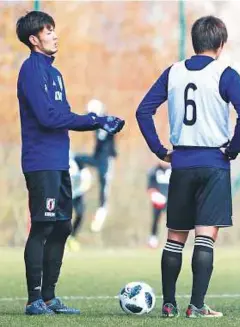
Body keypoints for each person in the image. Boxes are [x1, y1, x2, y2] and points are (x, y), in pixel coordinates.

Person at [136, 15, 240, 318]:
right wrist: (234, 149)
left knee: (175, 237)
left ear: (194, 42)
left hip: (182, 163)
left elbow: (143, 111)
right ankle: (197, 306)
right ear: (221, 44)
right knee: (204, 236)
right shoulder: (225, 73)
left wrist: (160, 150)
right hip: (214, 162)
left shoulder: (173, 72)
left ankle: (168, 303)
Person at [16, 11, 124, 315]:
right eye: (48, 31)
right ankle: (33, 299)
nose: (55, 35)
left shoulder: (55, 74)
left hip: (59, 162)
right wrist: (95, 120)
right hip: (41, 162)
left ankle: (49, 298)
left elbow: (63, 115)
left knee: (62, 226)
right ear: (34, 39)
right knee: (42, 226)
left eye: (53, 30)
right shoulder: (31, 70)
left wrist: (97, 122)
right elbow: (49, 117)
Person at [75, 99, 118, 233]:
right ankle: (81, 179)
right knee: (76, 158)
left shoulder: (107, 122)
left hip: (106, 159)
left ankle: (101, 213)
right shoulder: (98, 124)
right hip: (98, 157)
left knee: (104, 188)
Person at [66, 152, 93, 252]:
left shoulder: (78, 162)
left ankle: (72, 238)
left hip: (77, 192)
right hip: (64, 192)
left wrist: (78, 190)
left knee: (80, 214)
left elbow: (87, 179)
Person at [147, 161, 171, 248]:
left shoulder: (174, 170)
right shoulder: (153, 171)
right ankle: (153, 239)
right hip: (158, 200)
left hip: (171, 199)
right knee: (155, 219)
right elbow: (150, 187)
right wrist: (156, 196)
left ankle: (172, 240)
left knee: (173, 220)